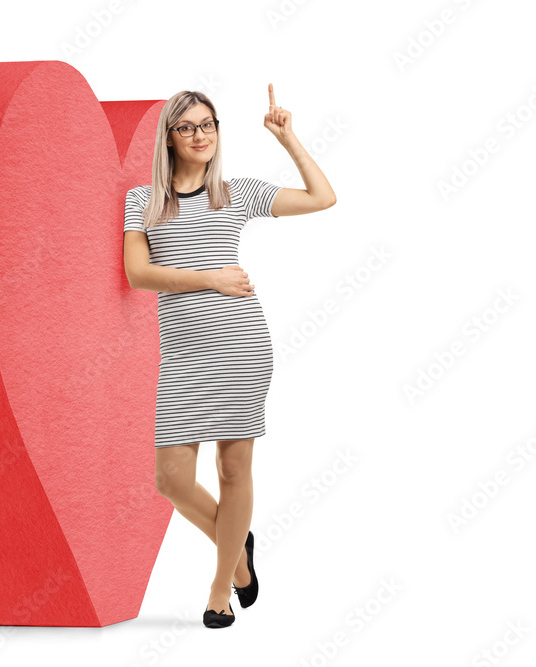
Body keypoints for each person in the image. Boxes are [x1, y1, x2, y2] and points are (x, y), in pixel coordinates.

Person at [122, 84, 336, 628]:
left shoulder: (235, 193)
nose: (200, 135)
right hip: (182, 354)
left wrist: (287, 138)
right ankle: (239, 550)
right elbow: (138, 274)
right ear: (168, 137)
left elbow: (321, 197)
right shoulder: (141, 199)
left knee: (232, 469)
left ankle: (221, 586)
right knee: (169, 478)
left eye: (208, 125)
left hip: (239, 347)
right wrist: (210, 279)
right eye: (188, 127)